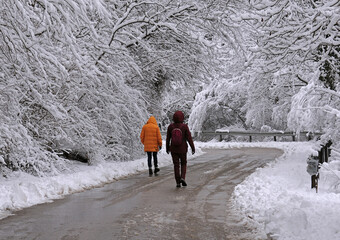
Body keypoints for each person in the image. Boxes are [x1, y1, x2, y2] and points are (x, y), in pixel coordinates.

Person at [166, 111, 195, 188]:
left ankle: (178, 182)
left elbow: (168, 138)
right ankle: (182, 177)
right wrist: (192, 147)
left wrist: (167, 148)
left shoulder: (170, 127)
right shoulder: (184, 126)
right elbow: (189, 138)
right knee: (183, 163)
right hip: (182, 149)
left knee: (176, 165)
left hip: (174, 149)